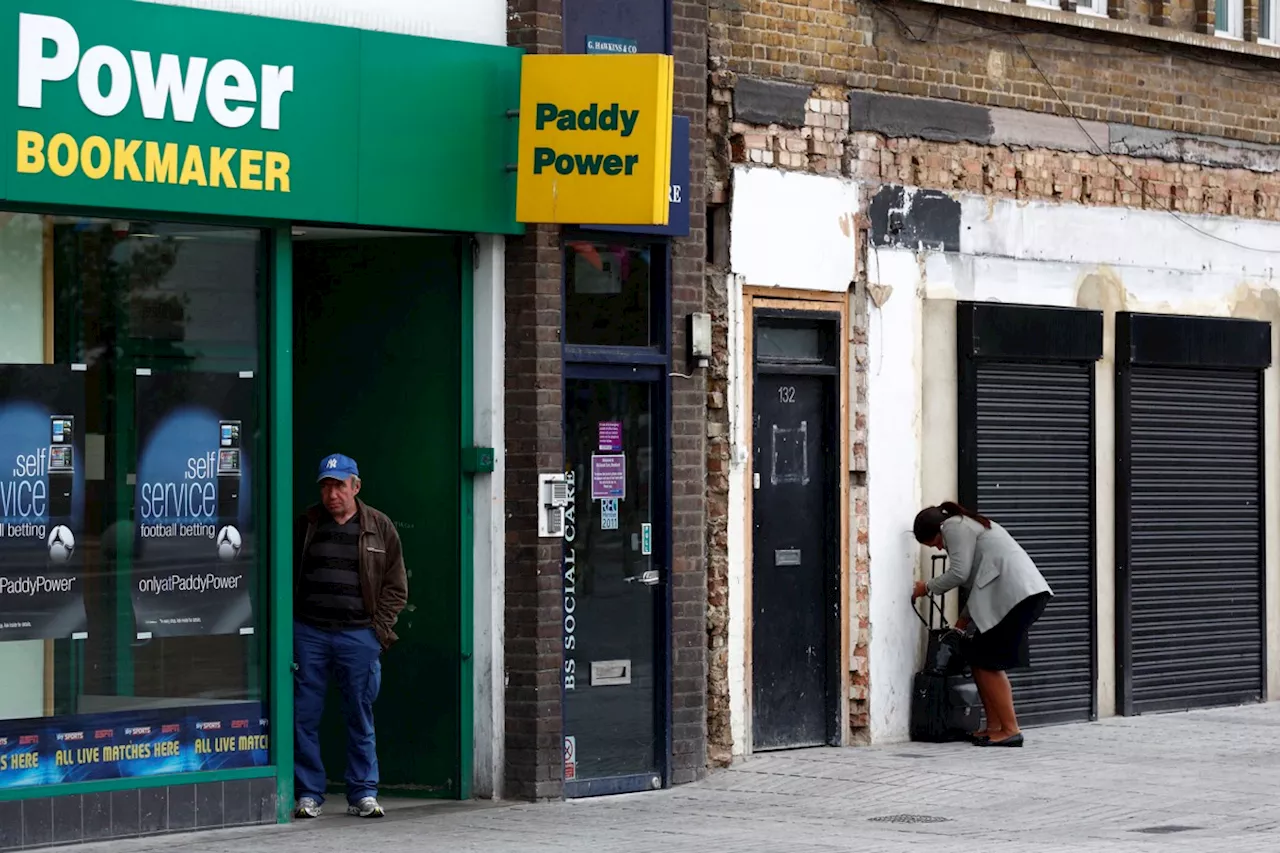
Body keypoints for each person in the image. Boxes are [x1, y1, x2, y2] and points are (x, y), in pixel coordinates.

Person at [293, 453, 408, 819]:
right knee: (304, 714)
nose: (332, 495)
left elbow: (396, 586)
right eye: (326, 486)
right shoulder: (307, 523)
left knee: (359, 713)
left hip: (359, 636)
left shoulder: (379, 526)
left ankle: (363, 792)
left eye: (339, 486)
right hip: (310, 632)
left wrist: (378, 631)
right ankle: (309, 793)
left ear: (355, 486)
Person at [910, 502, 1052, 747]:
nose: (941, 548)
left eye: (935, 544)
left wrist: (927, 588)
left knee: (987, 661)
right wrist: (962, 622)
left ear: (937, 531)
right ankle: (995, 727)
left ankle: (1010, 729)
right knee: (978, 658)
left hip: (1017, 597)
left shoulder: (953, 526)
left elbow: (959, 573)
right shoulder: (965, 525)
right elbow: (979, 584)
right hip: (1017, 597)